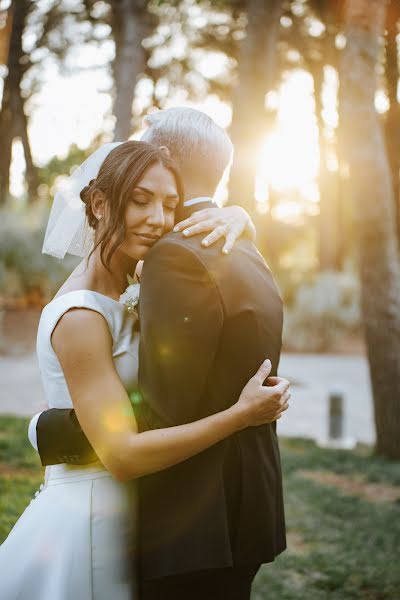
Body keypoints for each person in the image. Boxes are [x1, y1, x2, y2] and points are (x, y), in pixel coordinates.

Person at [0, 137, 290, 600]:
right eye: (140, 201)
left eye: (170, 204)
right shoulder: (80, 316)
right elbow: (123, 456)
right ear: (97, 204)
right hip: (92, 519)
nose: (158, 220)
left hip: (141, 518)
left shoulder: (136, 287)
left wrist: (239, 216)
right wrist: (241, 414)